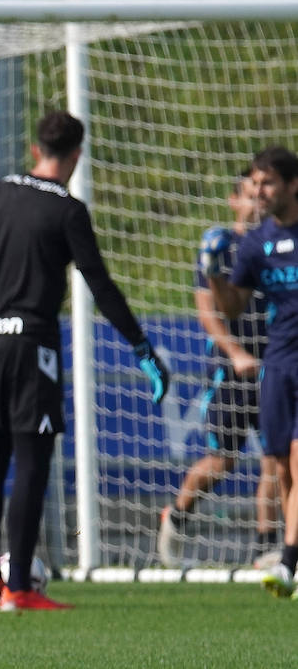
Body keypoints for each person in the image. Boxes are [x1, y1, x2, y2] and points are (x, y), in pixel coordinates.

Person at [0, 110, 169, 612]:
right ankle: (20, 587)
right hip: (31, 346)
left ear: (34, 150)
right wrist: (142, 349)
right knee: (32, 461)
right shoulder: (68, 210)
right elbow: (100, 284)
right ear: (76, 156)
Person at [158, 173, 279, 569]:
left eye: (262, 194)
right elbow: (207, 312)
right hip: (231, 370)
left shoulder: (277, 245)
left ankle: (267, 548)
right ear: (233, 201)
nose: (256, 202)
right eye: (248, 196)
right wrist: (236, 353)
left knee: (275, 461)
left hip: (276, 365)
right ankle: (177, 514)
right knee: (222, 462)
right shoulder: (220, 247)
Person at [204, 146, 298, 599]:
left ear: (292, 186)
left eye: (268, 184)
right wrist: (213, 274)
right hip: (278, 363)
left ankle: (288, 559)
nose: (259, 192)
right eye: (255, 184)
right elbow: (233, 307)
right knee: (279, 466)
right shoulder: (255, 243)